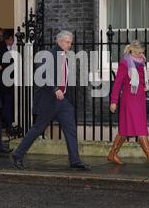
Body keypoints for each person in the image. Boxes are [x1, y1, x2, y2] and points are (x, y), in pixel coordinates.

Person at [12, 30, 91, 171]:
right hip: (49, 100)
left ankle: (75, 160)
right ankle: (18, 154)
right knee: (37, 129)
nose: (69, 45)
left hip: (63, 102)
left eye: (70, 43)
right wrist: (55, 89)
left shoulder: (65, 57)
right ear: (59, 41)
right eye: (67, 42)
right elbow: (44, 74)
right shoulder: (48, 55)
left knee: (71, 129)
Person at [108, 40, 149, 168]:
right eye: (139, 52)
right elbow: (117, 83)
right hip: (130, 99)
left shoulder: (141, 61)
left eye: (143, 52)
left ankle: (112, 154)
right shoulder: (125, 63)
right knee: (140, 128)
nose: (141, 54)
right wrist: (113, 101)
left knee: (124, 129)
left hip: (139, 97)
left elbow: (142, 79)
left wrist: (145, 87)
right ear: (132, 50)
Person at [0, 30, 15, 134]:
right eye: (11, 39)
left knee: (8, 102)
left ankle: (9, 123)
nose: (12, 41)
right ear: (9, 39)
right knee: (3, 102)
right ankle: (5, 123)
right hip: (1, 80)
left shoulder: (15, 47)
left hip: (12, 81)